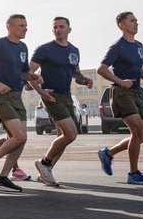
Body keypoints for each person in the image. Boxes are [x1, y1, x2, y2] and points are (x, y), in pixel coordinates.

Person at [0, 14, 43, 193]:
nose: (25, 28)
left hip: (16, 96)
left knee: (21, 140)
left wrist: (34, 77)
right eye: (21, 25)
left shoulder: (23, 47)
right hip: (1, 96)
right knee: (18, 136)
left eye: (26, 25)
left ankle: (3, 178)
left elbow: (24, 72)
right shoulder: (0, 44)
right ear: (9, 27)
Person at [29, 17, 95, 187]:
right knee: (71, 134)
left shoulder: (74, 51)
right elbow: (29, 73)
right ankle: (44, 163)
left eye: (61, 27)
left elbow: (76, 74)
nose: (58, 29)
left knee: (62, 137)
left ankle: (46, 172)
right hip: (51, 95)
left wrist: (84, 80)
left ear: (69, 30)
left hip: (66, 96)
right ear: (53, 31)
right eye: (55, 27)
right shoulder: (45, 49)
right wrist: (40, 91)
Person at [96, 12, 143, 185]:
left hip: (137, 91)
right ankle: (133, 173)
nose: (136, 23)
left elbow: (136, 67)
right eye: (132, 21)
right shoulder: (117, 46)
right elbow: (101, 69)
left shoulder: (138, 45)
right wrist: (120, 81)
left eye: (136, 20)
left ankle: (108, 154)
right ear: (121, 26)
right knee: (137, 132)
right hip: (121, 93)